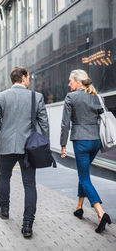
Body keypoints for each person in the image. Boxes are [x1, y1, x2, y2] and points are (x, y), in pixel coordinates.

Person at [0, 66, 49, 238]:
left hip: (6, 146)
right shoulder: (36, 97)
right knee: (29, 184)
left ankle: (5, 210)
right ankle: (28, 224)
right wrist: (44, 145)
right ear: (23, 78)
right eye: (28, 77)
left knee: (4, 177)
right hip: (28, 148)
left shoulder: (1, 96)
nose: (30, 80)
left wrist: (7, 130)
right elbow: (44, 124)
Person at [60, 69, 112, 233]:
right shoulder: (96, 96)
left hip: (81, 142)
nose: (69, 84)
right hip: (96, 141)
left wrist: (62, 145)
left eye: (70, 81)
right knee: (84, 174)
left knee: (84, 177)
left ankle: (100, 212)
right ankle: (79, 207)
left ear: (78, 81)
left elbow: (65, 124)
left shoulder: (71, 97)